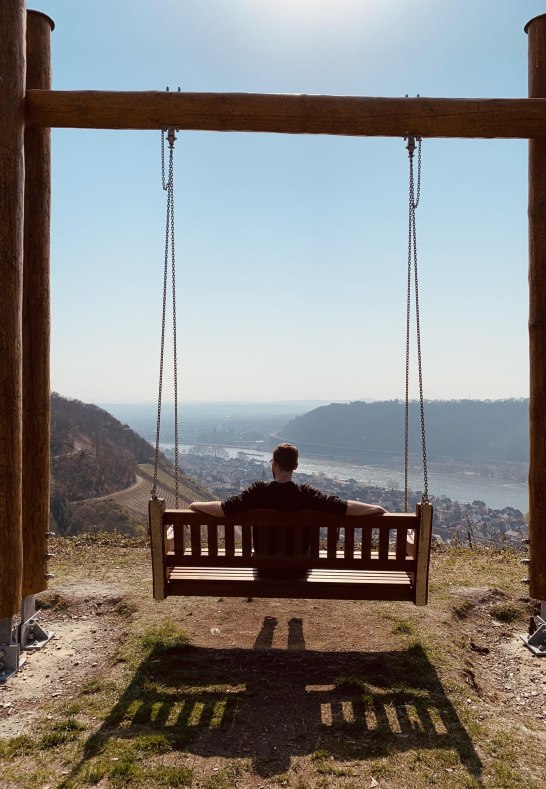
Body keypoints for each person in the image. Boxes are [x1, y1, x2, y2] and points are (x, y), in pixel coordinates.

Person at [189, 442, 386, 518]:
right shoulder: (306, 494)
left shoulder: (257, 492)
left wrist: (194, 504)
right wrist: (376, 508)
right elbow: (345, 507)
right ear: (296, 466)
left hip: (263, 565)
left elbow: (222, 509)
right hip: (299, 568)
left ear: (273, 464)